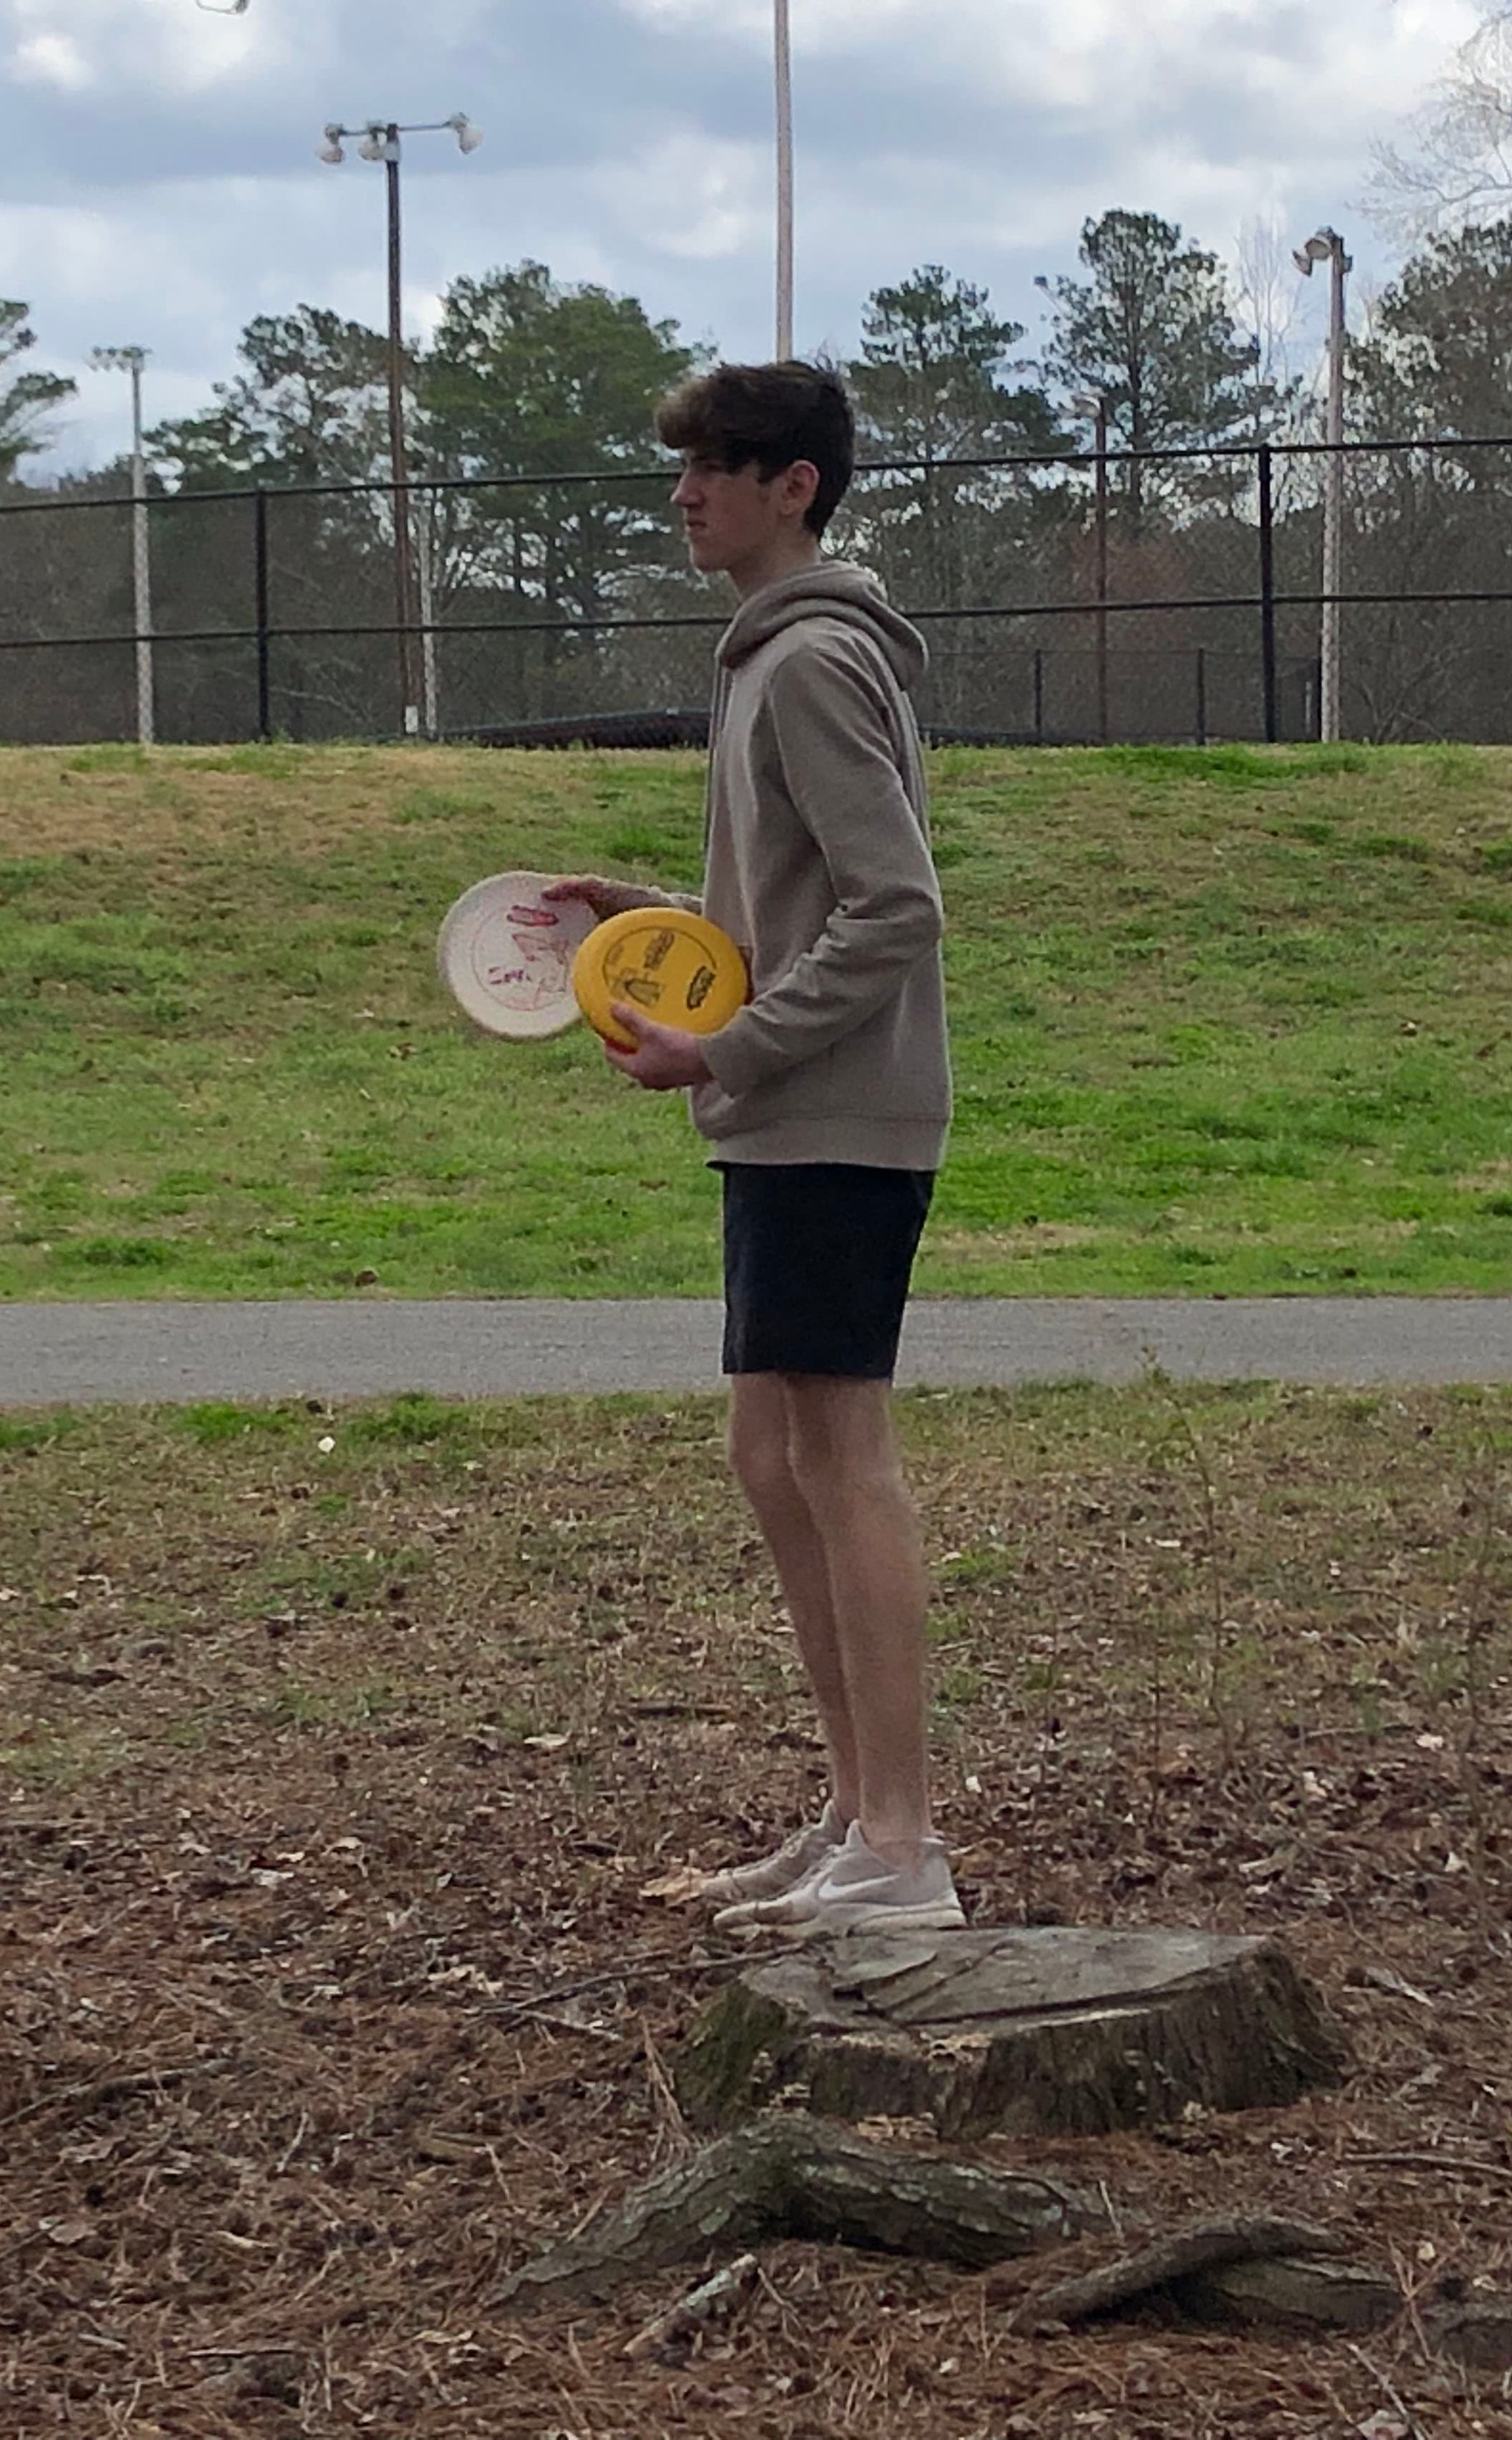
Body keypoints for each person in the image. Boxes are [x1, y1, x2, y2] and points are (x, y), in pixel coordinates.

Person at [547, 359, 958, 1934]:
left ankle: (907, 1855)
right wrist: (653, 922)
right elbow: (795, 904)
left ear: (796, 485)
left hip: (839, 1117)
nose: (685, 491)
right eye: (685, 466)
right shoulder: (766, 665)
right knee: (766, 1451)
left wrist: (728, 1044)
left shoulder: (808, 665)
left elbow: (896, 907)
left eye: (718, 465)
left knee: (841, 1459)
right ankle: (854, 1817)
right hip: (786, 1116)